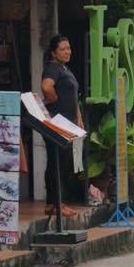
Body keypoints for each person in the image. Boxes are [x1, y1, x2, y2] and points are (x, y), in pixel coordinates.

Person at [41, 34, 83, 218]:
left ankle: (54, 203)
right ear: (53, 53)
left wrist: (78, 117)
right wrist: (53, 99)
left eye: (69, 48)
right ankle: (57, 204)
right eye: (63, 49)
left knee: (61, 162)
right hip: (57, 122)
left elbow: (74, 97)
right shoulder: (52, 68)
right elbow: (46, 87)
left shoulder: (63, 68)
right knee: (57, 162)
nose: (68, 52)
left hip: (68, 122)